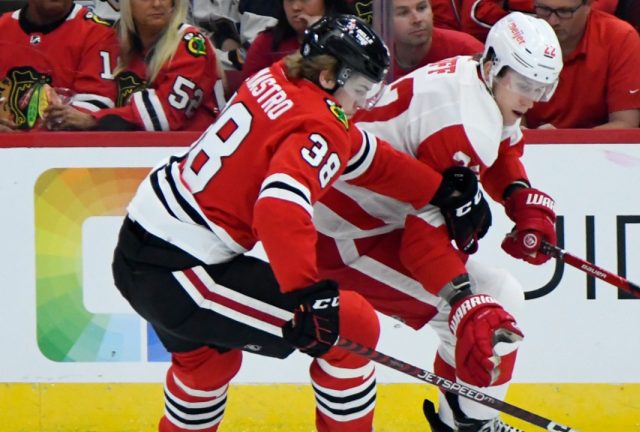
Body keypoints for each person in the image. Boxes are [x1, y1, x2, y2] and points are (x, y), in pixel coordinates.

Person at [111, 14, 484, 432]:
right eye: (360, 88)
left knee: (207, 366)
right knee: (353, 324)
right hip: (182, 271)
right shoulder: (321, 121)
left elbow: (359, 154)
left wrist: (437, 190)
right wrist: (307, 293)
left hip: (142, 247)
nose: (363, 102)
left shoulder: (278, 77)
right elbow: (278, 206)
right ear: (328, 76)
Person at [315, 12, 563, 431]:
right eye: (524, 85)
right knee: (488, 306)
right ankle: (470, 425)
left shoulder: (483, 80)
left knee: (494, 299)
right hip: (344, 236)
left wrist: (520, 198)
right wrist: (464, 298)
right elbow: (422, 240)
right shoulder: (463, 123)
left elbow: (501, 147)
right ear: (493, 66)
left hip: (380, 219)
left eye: (543, 87)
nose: (532, 98)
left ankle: (464, 422)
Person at [46, 0, 225, 131]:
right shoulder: (110, 42)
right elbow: (95, 99)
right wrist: (63, 114)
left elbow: (164, 117)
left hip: (190, 155)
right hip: (126, 155)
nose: (157, 4)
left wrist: (93, 121)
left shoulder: (192, 44)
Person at [524, 0, 640, 129]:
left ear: (588, 6)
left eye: (564, 11)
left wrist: (561, 141)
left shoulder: (621, 38)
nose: (552, 22)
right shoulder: (519, 37)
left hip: (598, 147)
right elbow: (511, 121)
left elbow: (626, 125)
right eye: (544, 9)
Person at [0, 0, 116, 132]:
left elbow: (97, 103)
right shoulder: (3, 27)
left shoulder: (97, 32)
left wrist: (37, 135)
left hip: (63, 147)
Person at [241, 0, 353, 82]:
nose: (295, 7)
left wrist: (321, 34)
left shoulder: (350, 46)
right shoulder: (265, 42)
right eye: (289, 0)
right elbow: (246, 95)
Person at [391, 0, 484, 81]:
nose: (417, 19)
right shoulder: (378, 57)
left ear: (432, 11)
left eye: (422, 8)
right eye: (403, 13)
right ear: (384, 20)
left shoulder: (467, 50)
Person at [458, 0, 617, 42]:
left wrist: (546, 8)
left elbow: (586, 12)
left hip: (582, 51)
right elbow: (474, 14)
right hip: (511, 48)